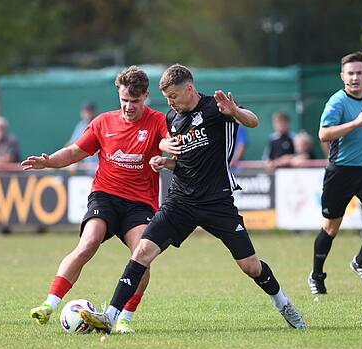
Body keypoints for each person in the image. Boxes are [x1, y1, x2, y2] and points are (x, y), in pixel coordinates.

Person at [79, 64, 305, 333]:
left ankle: (282, 303)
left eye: (173, 96)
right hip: (180, 202)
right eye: (166, 99)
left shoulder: (216, 108)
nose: (170, 103)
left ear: (189, 89)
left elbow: (253, 121)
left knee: (251, 267)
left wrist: (236, 112)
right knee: (141, 252)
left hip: (217, 202)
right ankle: (111, 316)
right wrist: (167, 162)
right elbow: (185, 162)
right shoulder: (173, 118)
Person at [22, 66, 169, 333]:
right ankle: (49, 304)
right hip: (106, 196)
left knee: (142, 257)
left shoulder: (158, 121)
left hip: (140, 204)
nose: (128, 107)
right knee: (87, 244)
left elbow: (171, 144)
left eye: (134, 101)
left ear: (146, 96)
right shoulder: (103, 122)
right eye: (124, 100)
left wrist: (167, 158)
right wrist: (49, 162)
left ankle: (124, 318)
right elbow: (75, 151)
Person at [307, 51, 362, 295]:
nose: (355, 78)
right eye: (350, 73)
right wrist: (354, 123)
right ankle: (316, 275)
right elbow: (324, 134)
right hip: (340, 173)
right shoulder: (337, 102)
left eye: (359, 73)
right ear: (342, 76)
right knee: (331, 228)